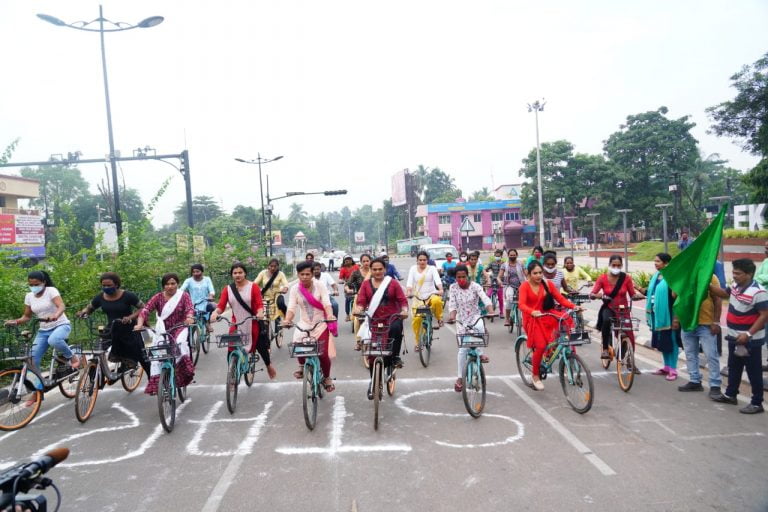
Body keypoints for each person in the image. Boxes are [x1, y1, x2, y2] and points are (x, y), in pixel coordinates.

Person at [710, 259, 768, 414]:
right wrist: (708, 285)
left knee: (753, 371)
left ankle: (757, 403)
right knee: (734, 367)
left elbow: (764, 315)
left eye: (738, 273)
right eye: (733, 272)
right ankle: (731, 395)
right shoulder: (736, 286)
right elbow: (724, 293)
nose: (734, 276)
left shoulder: (759, 292)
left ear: (749, 274)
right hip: (734, 337)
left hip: (750, 341)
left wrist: (748, 334)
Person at [519, 261, 579, 390]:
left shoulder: (547, 284)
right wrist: (532, 311)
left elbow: (560, 299)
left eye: (540, 272)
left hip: (547, 314)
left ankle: (557, 352)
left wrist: (574, 306)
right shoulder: (524, 286)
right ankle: (535, 376)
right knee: (540, 346)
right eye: (535, 273)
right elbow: (521, 305)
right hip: (532, 318)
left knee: (566, 319)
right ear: (529, 274)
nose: (538, 275)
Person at [210, 262, 275, 379]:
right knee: (231, 347)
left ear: (245, 273)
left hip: (253, 322)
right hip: (236, 323)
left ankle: (269, 366)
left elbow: (259, 304)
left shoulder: (253, 287)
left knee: (261, 346)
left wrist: (260, 312)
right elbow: (221, 306)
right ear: (232, 275)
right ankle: (232, 373)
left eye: (240, 272)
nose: (237, 275)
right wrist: (215, 313)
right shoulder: (228, 289)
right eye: (235, 273)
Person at [134, 273, 195, 395]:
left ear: (177, 284)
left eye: (173, 283)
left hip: (180, 327)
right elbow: (145, 310)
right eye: (167, 284)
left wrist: (189, 318)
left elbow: (189, 309)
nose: (170, 286)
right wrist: (140, 324)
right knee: (156, 352)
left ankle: (182, 371)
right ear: (163, 286)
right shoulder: (158, 297)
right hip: (162, 329)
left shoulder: (183, 296)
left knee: (180, 344)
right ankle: (159, 382)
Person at [4, 270, 79, 370]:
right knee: (32, 359)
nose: (34, 287)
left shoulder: (51, 291)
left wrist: (55, 315)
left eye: (36, 284)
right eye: (31, 285)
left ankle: (72, 357)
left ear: (44, 282)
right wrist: (16, 321)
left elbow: (61, 305)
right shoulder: (29, 296)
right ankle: (38, 385)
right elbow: (27, 316)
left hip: (61, 325)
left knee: (54, 340)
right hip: (43, 330)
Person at [76, 272, 148, 374]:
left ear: (116, 284)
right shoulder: (100, 297)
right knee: (98, 351)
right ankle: (92, 380)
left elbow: (143, 308)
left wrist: (130, 317)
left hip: (129, 329)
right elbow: (89, 308)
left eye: (109, 285)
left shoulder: (128, 295)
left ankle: (153, 381)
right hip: (112, 328)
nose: (106, 287)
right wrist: (83, 312)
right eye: (103, 285)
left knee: (141, 355)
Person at [283, 261, 337, 392]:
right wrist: (287, 320)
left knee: (323, 354)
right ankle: (302, 367)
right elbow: (291, 307)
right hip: (304, 324)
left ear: (313, 274)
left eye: (308, 274)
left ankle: (327, 377)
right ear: (298, 274)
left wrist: (329, 316)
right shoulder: (295, 289)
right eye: (302, 274)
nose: (305, 277)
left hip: (320, 324)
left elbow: (326, 302)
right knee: (298, 346)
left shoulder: (320, 286)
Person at [355, 258, 409, 378]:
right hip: (374, 319)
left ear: (385, 269)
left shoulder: (393, 283)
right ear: (371, 270)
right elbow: (361, 301)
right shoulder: (365, 284)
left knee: (395, 329)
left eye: (380, 269)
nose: (378, 272)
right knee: (373, 353)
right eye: (374, 269)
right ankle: (372, 381)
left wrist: (404, 310)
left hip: (392, 317)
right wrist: (358, 308)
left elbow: (402, 300)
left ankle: (395, 357)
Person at [446, 265, 495, 392]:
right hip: (461, 320)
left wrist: (490, 311)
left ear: (467, 276)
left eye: (463, 276)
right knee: (463, 350)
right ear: (455, 278)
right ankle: (460, 378)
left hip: (475, 317)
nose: (461, 279)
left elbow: (485, 299)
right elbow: (452, 305)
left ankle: (480, 353)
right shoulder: (453, 288)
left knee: (480, 328)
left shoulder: (475, 286)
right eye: (458, 277)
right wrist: (452, 317)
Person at [590, 255, 644, 365]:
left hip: (623, 310)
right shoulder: (602, 278)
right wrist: (596, 295)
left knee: (629, 334)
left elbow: (632, 294)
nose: (616, 267)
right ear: (609, 265)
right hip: (609, 307)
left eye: (618, 265)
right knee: (606, 321)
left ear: (622, 266)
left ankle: (630, 360)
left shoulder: (626, 278)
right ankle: (605, 348)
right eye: (614, 265)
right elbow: (592, 293)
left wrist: (637, 296)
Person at [677, 272, 723, 398]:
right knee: (690, 354)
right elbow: (676, 296)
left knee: (711, 355)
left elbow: (718, 299)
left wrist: (716, 321)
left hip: (706, 324)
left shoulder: (710, 277)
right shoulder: (685, 276)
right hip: (687, 323)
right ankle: (695, 381)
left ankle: (715, 385)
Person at [641, 253, 681, 381]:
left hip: (669, 315)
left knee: (672, 341)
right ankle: (666, 367)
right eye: (655, 261)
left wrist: (676, 318)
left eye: (658, 261)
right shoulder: (656, 276)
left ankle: (673, 369)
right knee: (662, 341)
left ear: (666, 263)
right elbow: (650, 293)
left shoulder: (673, 277)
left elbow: (678, 297)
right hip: (656, 315)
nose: (655, 263)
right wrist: (638, 289)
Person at [406, 251, 444, 351]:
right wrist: (409, 291)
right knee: (416, 320)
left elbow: (437, 280)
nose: (422, 262)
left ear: (427, 260)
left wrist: (440, 289)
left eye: (424, 260)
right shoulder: (413, 269)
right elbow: (409, 282)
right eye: (420, 260)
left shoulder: (432, 269)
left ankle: (439, 318)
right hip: (418, 297)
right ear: (417, 260)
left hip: (430, 295)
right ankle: (417, 342)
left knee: (437, 301)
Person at [254, 258, 290, 332]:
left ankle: (287, 317)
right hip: (265, 297)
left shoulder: (280, 274)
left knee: (281, 303)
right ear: (268, 266)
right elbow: (255, 283)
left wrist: (285, 288)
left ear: (278, 267)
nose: (273, 268)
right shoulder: (262, 273)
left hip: (276, 295)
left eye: (275, 266)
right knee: (259, 311)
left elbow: (285, 283)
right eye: (271, 266)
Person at [180, 264, 216, 333]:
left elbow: (211, 290)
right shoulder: (188, 281)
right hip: (193, 304)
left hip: (205, 302)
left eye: (197, 271)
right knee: (190, 324)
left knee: (211, 306)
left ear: (202, 272)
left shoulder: (207, 279)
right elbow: (182, 289)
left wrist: (211, 295)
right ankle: (190, 339)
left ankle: (208, 323)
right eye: (193, 272)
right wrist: (179, 296)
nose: (195, 273)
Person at [347, 253, 372, 340]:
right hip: (360, 298)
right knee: (358, 319)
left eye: (367, 261)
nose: (366, 263)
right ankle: (358, 341)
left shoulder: (375, 271)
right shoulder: (356, 273)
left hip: (374, 298)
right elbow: (347, 284)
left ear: (370, 261)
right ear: (361, 262)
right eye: (364, 261)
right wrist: (348, 289)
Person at [498, 248, 525, 328]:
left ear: (516, 255)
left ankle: (523, 318)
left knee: (524, 301)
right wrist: (499, 281)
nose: (512, 256)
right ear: (508, 256)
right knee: (509, 299)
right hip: (509, 285)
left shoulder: (521, 264)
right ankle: (507, 318)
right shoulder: (504, 265)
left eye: (514, 255)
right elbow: (499, 276)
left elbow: (527, 274)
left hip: (521, 285)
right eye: (511, 255)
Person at [339, 256, 359, 322]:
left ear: (351, 260)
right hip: (348, 285)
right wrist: (341, 281)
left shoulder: (356, 267)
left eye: (349, 259)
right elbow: (340, 278)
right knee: (348, 300)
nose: (347, 261)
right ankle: (347, 315)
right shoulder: (343, 269)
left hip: (357, 284)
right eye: (346, 260)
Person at [485, 249, 505, 317]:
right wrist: (488, 272)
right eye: (496, 256)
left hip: (500, 282)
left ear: (501, 256)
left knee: (500, 298)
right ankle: (488, 310)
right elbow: (485, 269)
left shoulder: (504, 264)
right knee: (488, 295)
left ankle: (501, 312)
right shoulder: (492, 263)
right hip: (492, 281)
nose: (497, 257)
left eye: (499, 256)